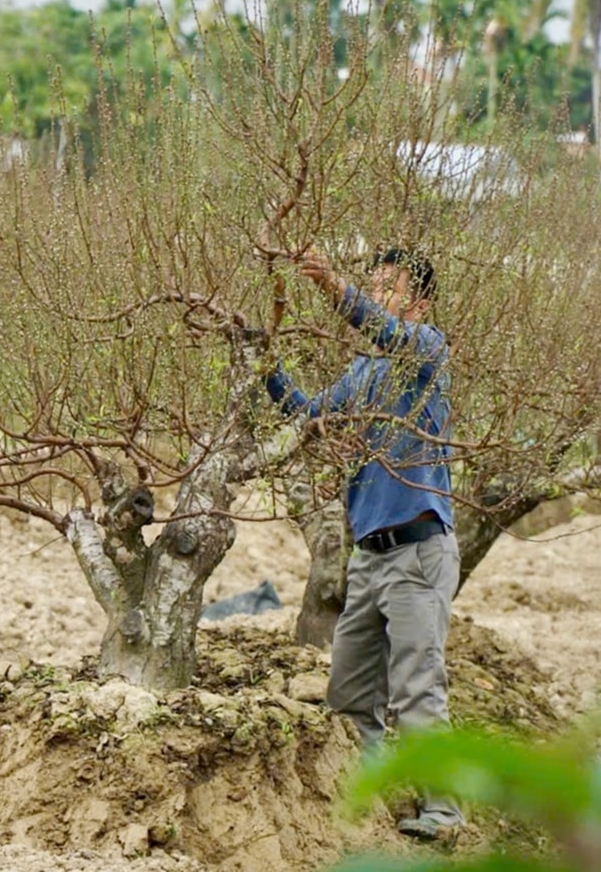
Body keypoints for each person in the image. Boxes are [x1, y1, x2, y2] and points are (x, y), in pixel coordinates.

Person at [262, 248, 463, 840]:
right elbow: (308, 412)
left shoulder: (426, 350)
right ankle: (373, 803)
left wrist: (332, 285)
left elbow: (382, 328)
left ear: (418, 303)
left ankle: (445, 813)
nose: (375, 295)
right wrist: (264, 365)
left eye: (386, 287)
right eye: (370, 285)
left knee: (417, 688)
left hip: (418, 550)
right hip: (370, 556)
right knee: (349, 692)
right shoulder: (364, 374)